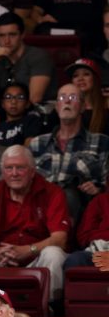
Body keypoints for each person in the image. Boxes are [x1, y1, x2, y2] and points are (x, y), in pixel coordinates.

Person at [0, 144, 70, 301]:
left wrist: (28, 250)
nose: (14, 174)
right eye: (9, 168)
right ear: (2, 172)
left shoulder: (53, 193)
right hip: (1, 260)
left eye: (20, 168)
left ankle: (49, 308)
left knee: (54, 253)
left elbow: (60, 239)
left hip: (36, 260)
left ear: (32, 171)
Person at [28, 82, 109, 223]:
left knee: (67, 195)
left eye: (73, 97)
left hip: (80, 209)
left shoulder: (101, 142)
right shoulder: (37, 143)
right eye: (62, 98)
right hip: (38, 208)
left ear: (83, 107)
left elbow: (106, 180)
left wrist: (98, 189)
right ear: (57, 107)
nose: (66, 101)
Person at [0, 12, 56, 104]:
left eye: (12, 35)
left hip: (35, 115)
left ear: (22, 35)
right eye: (1, 36)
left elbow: (35, 99)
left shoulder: (38, 56)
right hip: (5, 116)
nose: (7, 41)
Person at [0, 82, 45, 147]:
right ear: (2, 104)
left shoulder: (31, 121)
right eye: (8, 97)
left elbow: (29, 148)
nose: (13, 102)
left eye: (20, 97)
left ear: (27, 103)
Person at [67, 57, 109, 133]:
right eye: (75, 76)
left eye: (86, 74)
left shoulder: (106, 106)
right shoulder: (65, 106)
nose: (80, 79)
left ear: (95, 79)